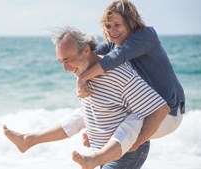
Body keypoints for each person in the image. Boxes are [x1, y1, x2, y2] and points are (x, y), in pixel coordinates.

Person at [3, 26, 171, 169]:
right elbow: (97, 112)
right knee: (79, 115)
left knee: (133, 119)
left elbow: (160, 109)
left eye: (67, 59)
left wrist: (135, 144)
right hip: (100, 151)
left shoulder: (117, 72)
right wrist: (92, 133)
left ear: (86, 50)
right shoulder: (82, 74)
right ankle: (29, 139)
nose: (65, 67)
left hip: (127, 152)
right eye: (61, 61)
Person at [77, 0, 185, 151]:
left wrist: (83, 78)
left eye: (117, 25)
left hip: (168, 113)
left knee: (118, 123)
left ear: (130, 22)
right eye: (108, 26)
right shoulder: (114, 43)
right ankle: (35, 138)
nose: (112, 30)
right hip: (146, 110)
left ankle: (129, 146)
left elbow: (117, 57)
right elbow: (92, 58)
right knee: (80, 114)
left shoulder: (146, 35)